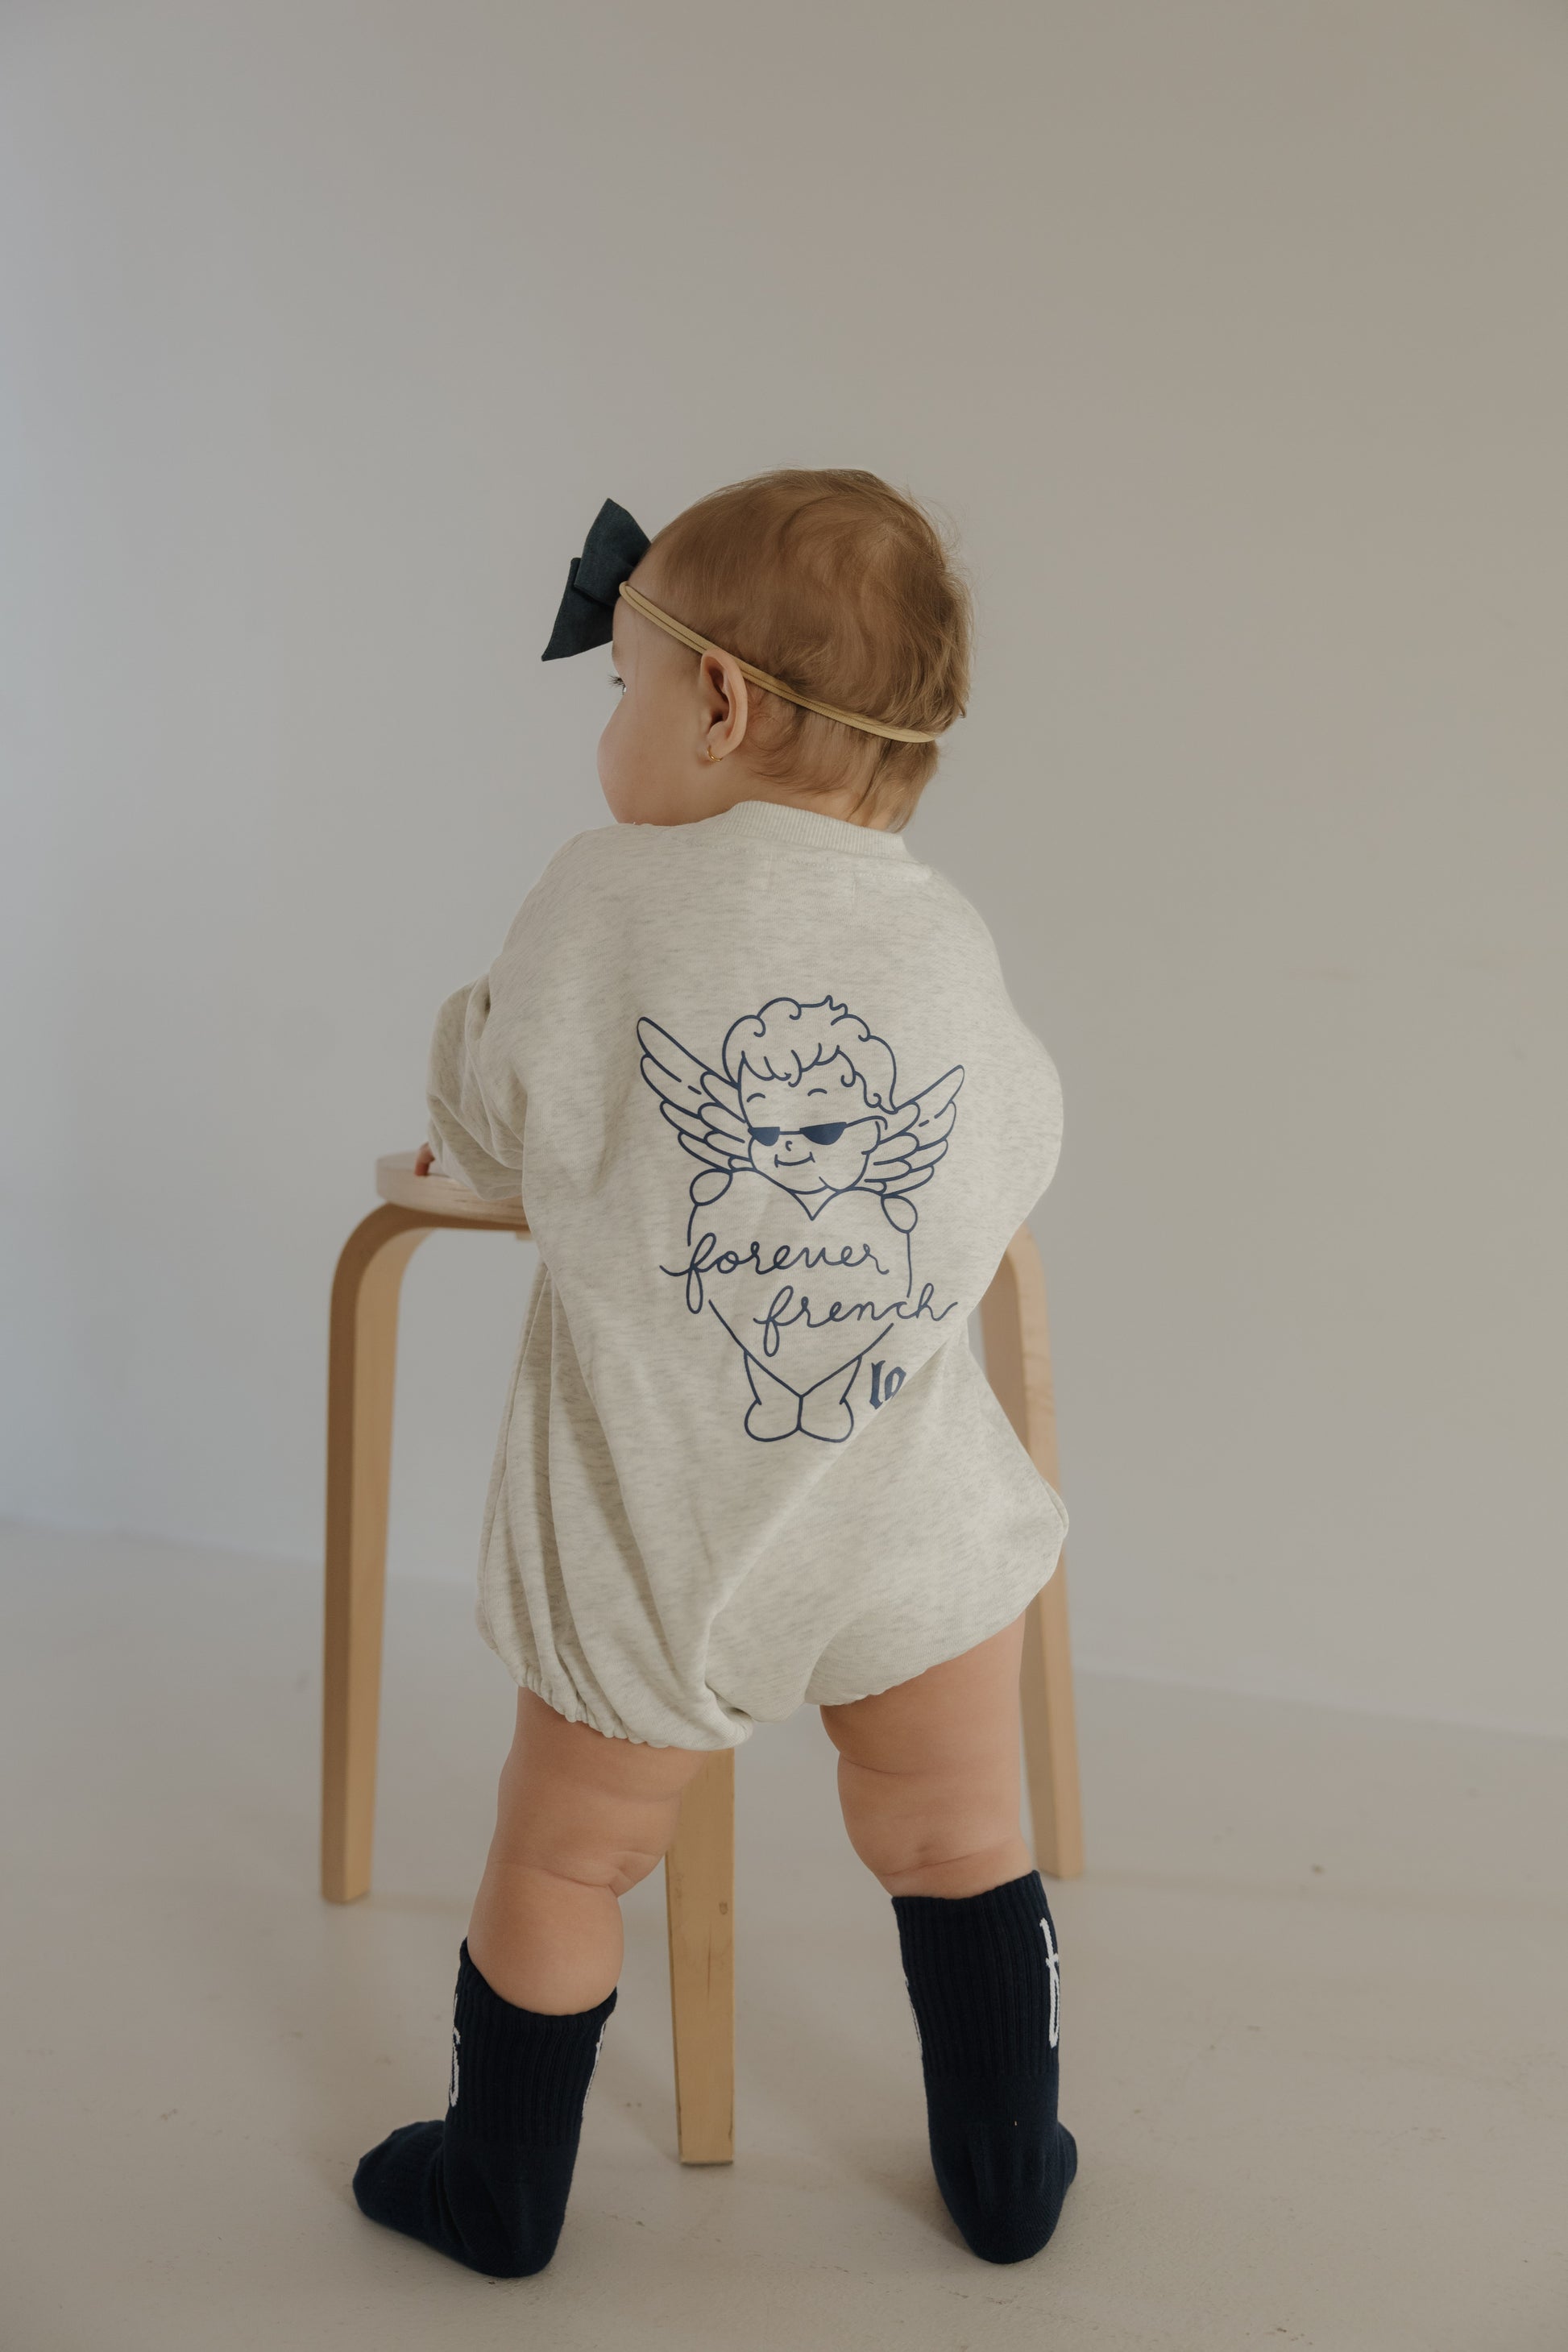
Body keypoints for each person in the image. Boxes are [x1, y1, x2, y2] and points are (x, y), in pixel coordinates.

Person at [351, 469, 1076, 2277]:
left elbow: (498, 1108)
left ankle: (497, 2184)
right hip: (903, 1507)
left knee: (567, 1856)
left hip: (657, 1518)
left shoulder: (603, 895)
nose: (611, 725)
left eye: (621, 685)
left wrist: (473, 1101)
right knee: (957, 1832)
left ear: (721, 704)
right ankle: (1007, 2166)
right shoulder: (943, 931)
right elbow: (1016, 1141)